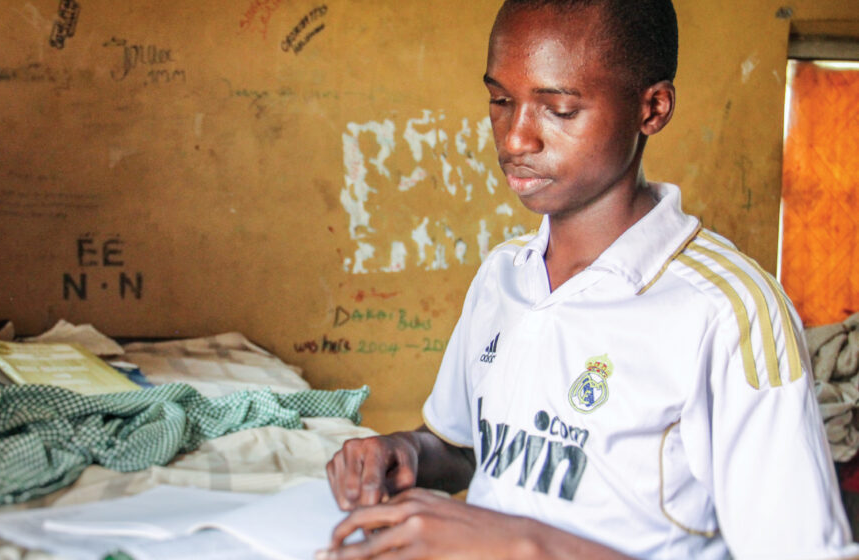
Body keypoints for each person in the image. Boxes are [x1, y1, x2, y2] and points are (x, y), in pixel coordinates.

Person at [318, 1, 859, 559]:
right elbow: (468, 449)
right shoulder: (504, 276)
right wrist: (407, 451)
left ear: (652, 108)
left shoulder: (728, 314)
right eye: (500, 102)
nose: (515, 140)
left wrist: (526, 545)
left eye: (559, 110)